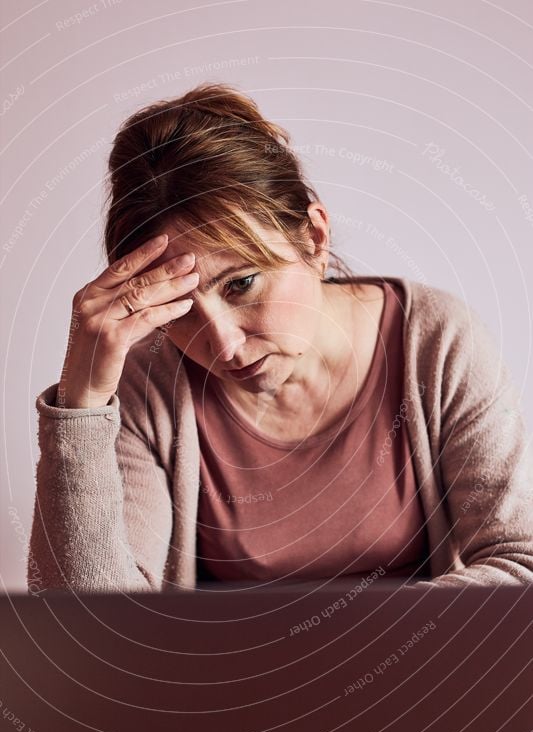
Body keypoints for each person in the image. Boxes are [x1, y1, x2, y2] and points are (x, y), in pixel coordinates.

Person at [27, 82, 533, 593]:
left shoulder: (437, 342)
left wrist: (328, 642)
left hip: (418, 670)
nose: (222, 345)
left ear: (314, 237)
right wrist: (81, 409)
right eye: (178, 308)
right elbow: (87, 627)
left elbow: (521, 565)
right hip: (225, 676)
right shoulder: (149, 383)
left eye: (242, 284)